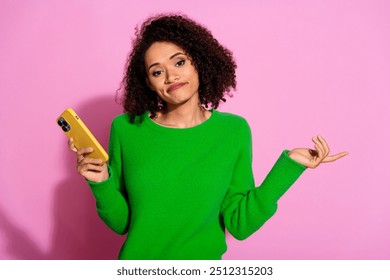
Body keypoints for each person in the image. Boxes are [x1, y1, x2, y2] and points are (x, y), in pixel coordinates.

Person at [68, 14, 348, 260]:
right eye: (157, 71)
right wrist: (101, 183)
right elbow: (123, 223)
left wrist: (290, 167)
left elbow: (240, 224)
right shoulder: (126, 129)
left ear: (200, 63)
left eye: (179, 62)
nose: (170, 76)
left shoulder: (234, 130)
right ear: (148, 83)